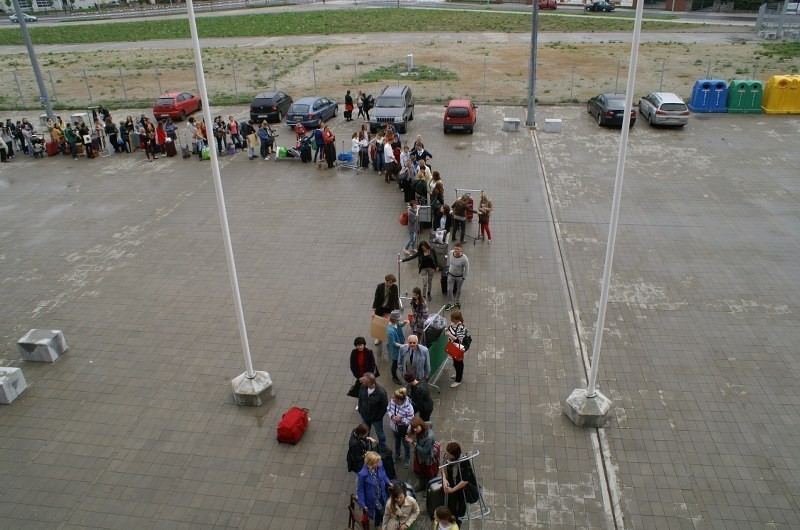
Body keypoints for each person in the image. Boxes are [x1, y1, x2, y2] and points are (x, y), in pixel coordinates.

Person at [442, 442, 478, 524]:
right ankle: (450, 515)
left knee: (460, 507)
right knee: (450, 504)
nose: (446, 455)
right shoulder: (447, 457)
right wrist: (444, 479)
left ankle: (458, 521)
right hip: (450, 484)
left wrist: (453, 489)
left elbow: (465, 481)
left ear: (454, 456)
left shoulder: (463, 462)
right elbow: (443, 467)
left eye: (448, 454)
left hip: (460, 490)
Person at [356, 451, 392, 528]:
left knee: (381, 509)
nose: (379, 463)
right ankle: (380, 524)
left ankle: (379, 522)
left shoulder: (379, 464)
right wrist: (362, 503)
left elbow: (384, 475)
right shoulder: (362, 474)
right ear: (371, 463)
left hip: (382, 494)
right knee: (381, 512)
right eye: (376, 462)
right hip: (373, 499)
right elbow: (360, 490)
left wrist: (388, 482)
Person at [358, 372, 389, 449]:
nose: (362, 382)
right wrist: (360, 409)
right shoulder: (363, 387)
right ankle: (366, 446)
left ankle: (382, 447)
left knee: (380, 434)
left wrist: (377, 418)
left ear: (370, 383)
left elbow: (384, 408)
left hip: (376, 419)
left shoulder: (381, 393)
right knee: (365, 432)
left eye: (364, 381)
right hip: (364, 416)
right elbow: (360, 398)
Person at [406, 417, 437, 491]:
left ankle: (430, 487)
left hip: (426, 457)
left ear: (420, 425)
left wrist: (413, 443)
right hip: (419, 455)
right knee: (422, 470)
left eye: (416, 428)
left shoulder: (429, 437)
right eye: (414, 428)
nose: (414, 430)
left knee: (429, 472)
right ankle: (422, 484)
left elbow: (424, 451)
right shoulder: (423, 426)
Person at [387, 388, 414, 469]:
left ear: (399, 400)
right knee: (397, 441)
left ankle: (407, 457)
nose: (392, 398)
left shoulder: (409, 408)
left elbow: (411, 419)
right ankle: (397, 454)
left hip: (403, 429)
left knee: (405, 443)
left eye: (394, 398)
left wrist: (401, 420)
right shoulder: (392, 402)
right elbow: (388, 409)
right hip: (394, 427)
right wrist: (392, 416)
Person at [372, 274, 401, 346]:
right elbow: (376, 298)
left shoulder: (394, 287)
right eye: (390, 282)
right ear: (386, 281)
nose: (391, 284)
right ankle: (378, 337)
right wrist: (374, 310)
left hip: (389, 308)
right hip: (380, 307)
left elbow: (395, 299)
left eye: (392, 283)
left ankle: (389, 338)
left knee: (389, 323)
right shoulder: (380, 287)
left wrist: (397, 310)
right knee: (378, 323)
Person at [350, 337, 377, 411]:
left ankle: (372, 403)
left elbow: (372, 365)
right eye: (358, 345)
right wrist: (359, 377)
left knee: (371, 390)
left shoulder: (369, 352)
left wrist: (367, 377)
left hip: (369, 377)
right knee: (361, 392)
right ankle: (360, 404)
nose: (360, 347)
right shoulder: (354, 353)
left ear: (364, 345)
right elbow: (352, 366)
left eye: (361, 345)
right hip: (360, 377)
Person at [446, 310, 467, 388]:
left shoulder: (461, 328)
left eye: (452, 317)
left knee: (459, 364)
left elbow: (459, 341)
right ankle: (458, 374)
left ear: (456, 319)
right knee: (456, 363)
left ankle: (458, 380)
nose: (450, 318)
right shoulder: (454, 324)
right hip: (454, 347)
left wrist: (449, 334)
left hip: (458, 349)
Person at [445, 244, 469, 311]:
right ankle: (450, 303)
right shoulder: (451, 253)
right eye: (455, 249)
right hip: (451, 275)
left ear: (461, 249)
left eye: (458, 249)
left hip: (459, 277)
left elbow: (467, 268)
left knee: (459, 290)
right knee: (449, 289)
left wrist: (464, 277)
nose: (456, 250)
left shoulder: (464, 259)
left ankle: (457, 302)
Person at [386, 310, 406, 385]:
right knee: (395, 363)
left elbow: (400, 325)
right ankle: (394, 376)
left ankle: (405, 371)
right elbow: (393, 343)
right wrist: (403, 346)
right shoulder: (390, 331)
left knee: (403, 358)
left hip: (401, 344)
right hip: (396, 349)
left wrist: (404, 323)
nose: (399, 321)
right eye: (398, 319)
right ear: (394, 320)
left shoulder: (396, 324)